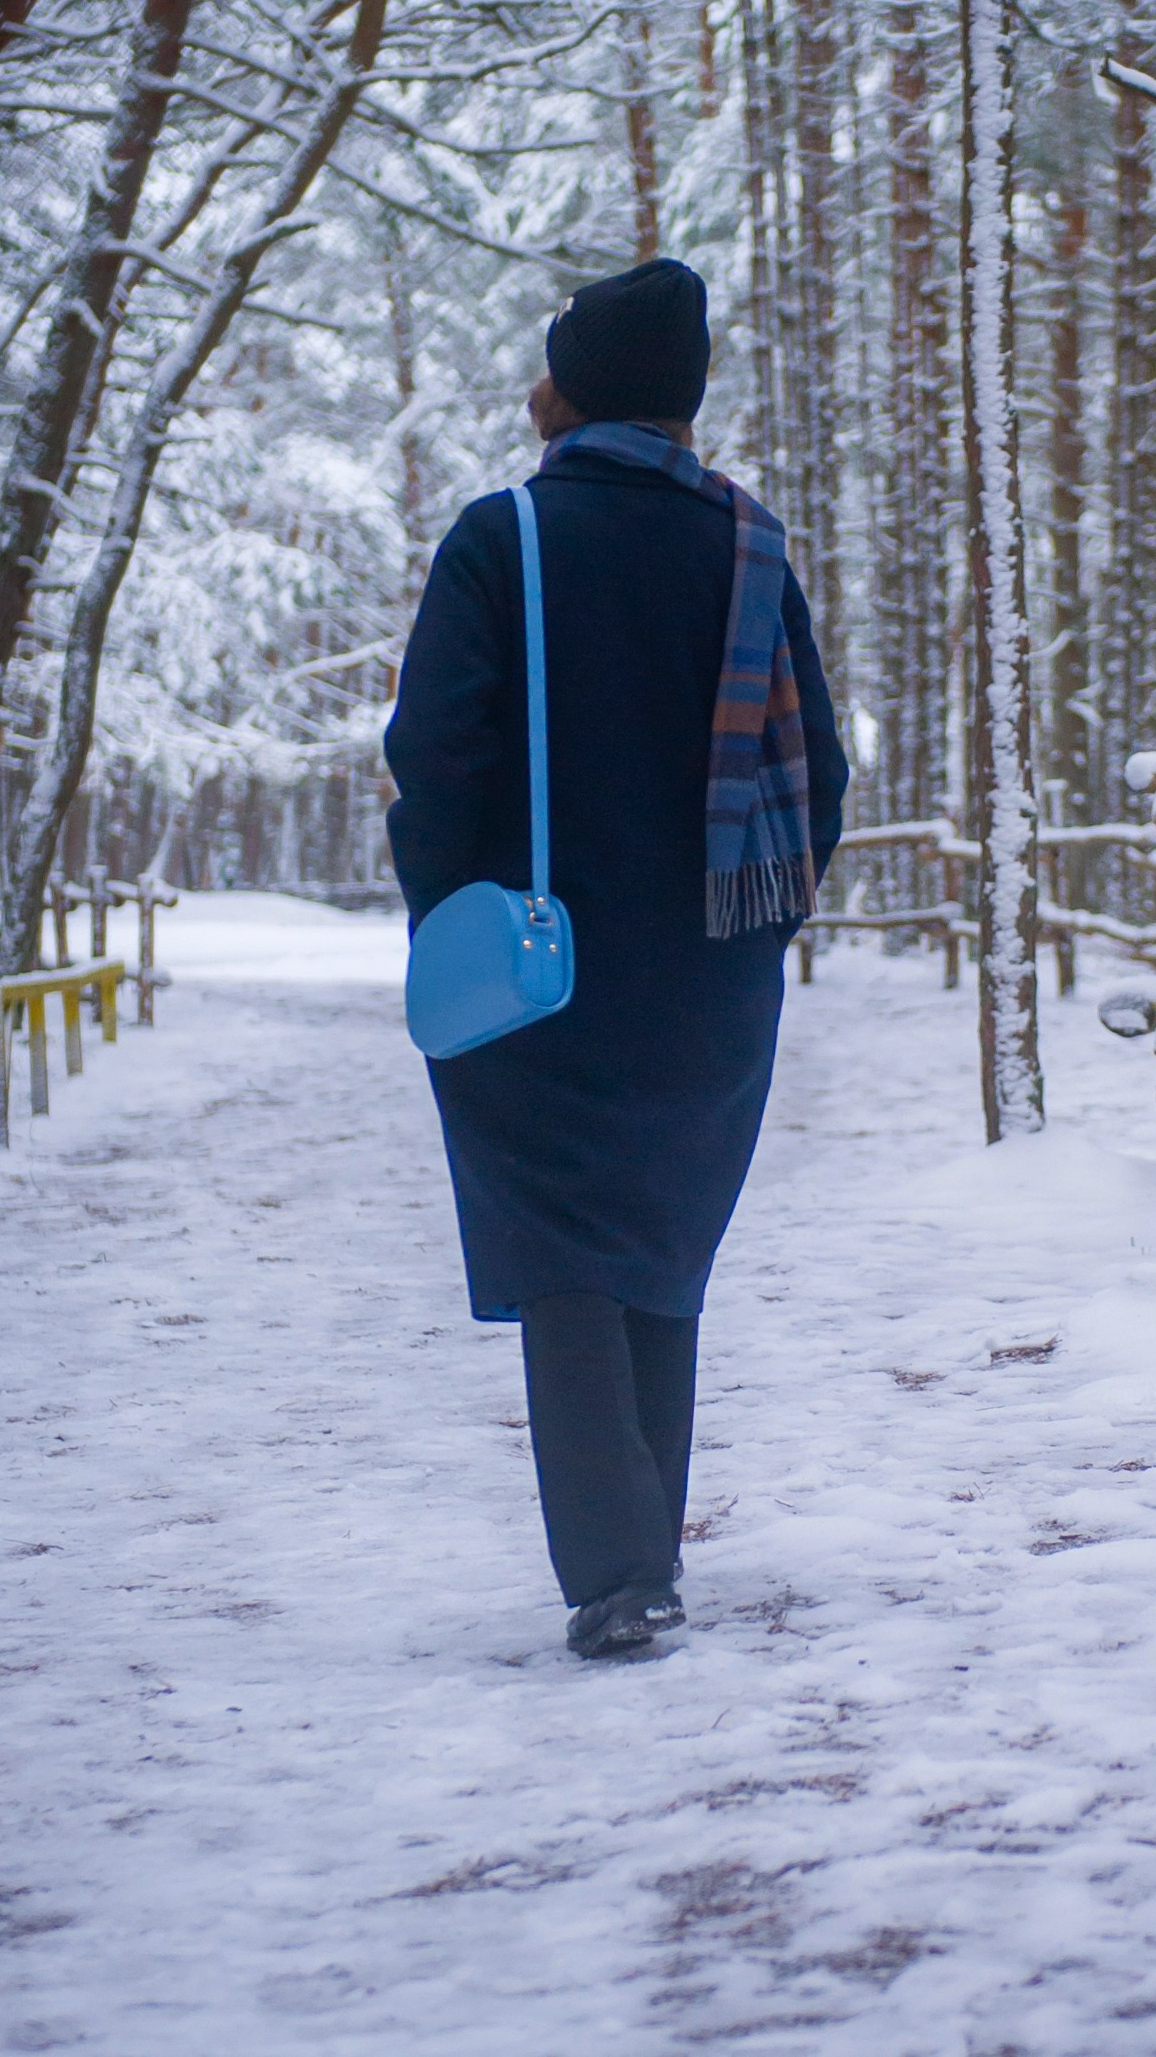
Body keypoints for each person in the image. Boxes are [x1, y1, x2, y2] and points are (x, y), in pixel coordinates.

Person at [385, 257, 847, 1661]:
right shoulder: (750, 542)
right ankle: (639, 1558)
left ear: (566, 391)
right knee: (655, 1242)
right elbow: (815, 770)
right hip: (713, 970)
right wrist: (758, 920)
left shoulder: (503, 536)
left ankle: (617, 1573)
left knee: (566, 1250)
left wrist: (446, 910)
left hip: (541, 959)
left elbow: (434, 755)